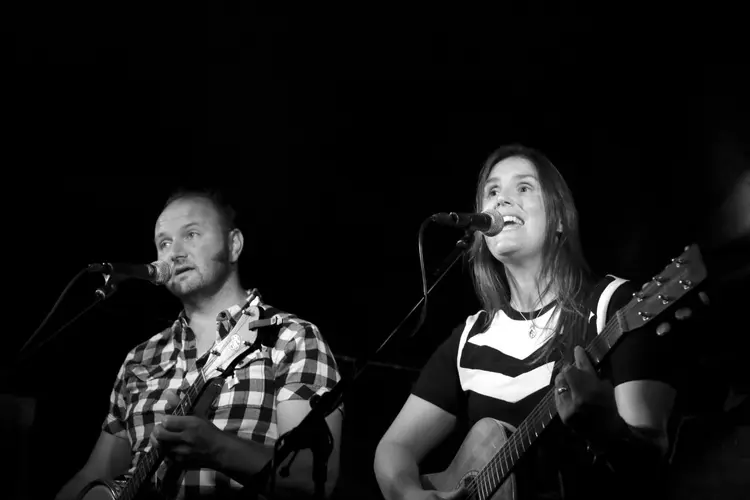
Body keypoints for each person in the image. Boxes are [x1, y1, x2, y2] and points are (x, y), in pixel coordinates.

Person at [373, 144, 707, 500]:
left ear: (561, 218)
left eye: (524, 187)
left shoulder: (615, 306)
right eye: (493, 191)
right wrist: (410, 494)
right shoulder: (471, 339)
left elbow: (651, 472)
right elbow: (393, 449)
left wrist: (606, 430)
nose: (502, 201)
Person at [54, 188, 343, 500]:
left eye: (191, 234)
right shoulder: (140, 358)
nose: (173, 252)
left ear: (234, 245)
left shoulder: (290, 337)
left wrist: (218, 449)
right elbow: (94, 474)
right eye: (164, 243)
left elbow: (314, 476)